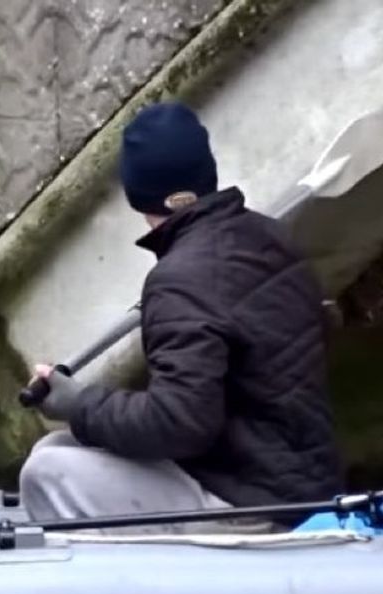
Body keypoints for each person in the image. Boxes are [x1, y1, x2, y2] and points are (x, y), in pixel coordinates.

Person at [19, 101, 341, 526]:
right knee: (55, 450)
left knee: (45, 473)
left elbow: (180, 424)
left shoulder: (178, 280)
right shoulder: (273, 239)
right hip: (300, 482)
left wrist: (80, 405)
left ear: (137, 194)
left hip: (255, 508)